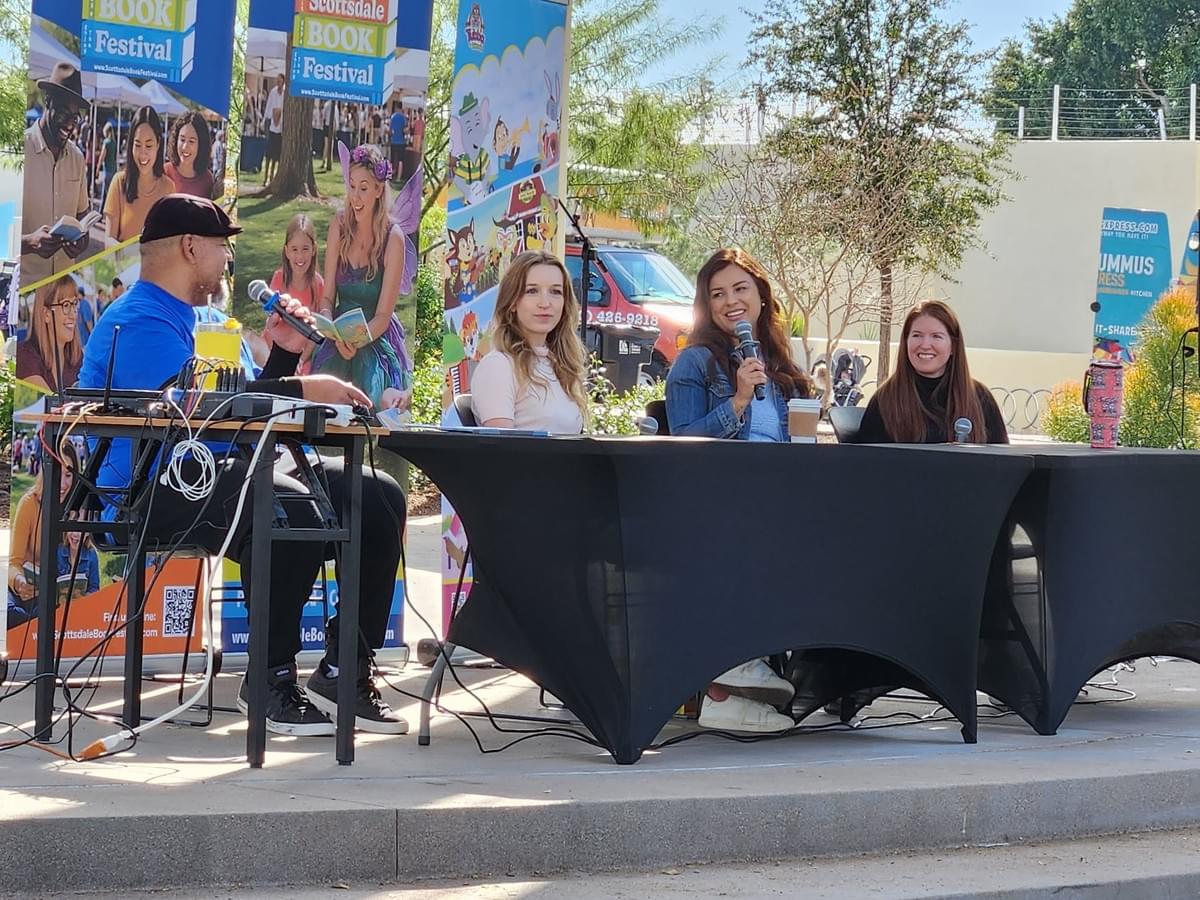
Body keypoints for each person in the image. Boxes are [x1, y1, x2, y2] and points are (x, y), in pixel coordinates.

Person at [77, 193, 410, 736]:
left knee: (378, 497)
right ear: (189, 247)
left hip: (219, 470)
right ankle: (270, 680)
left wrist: (281, 351)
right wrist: (304, 383)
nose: (228, 261)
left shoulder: (204, 317)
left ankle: (343, 671)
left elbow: (245, 408)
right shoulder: (138, 320)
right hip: (153, 487)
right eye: (220, 249)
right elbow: (200, 412)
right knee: (289, 505)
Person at [665, 247, 815, 733]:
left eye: (740, 289)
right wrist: (739, 399)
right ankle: (729, 675)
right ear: (705, 307)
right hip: (714, 498)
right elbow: (681, 443)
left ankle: (789, 674)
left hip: (777, 499)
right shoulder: (696, 363)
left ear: (761, 297)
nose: (730, 301)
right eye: (717, 294)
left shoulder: (784, 368)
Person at [314, 144, 412, 412]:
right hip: (338, 334)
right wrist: (331, 328)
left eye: (364, 188)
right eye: (352, 186)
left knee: (372, 386)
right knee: (320, 390)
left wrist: (357, 341)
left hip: (373, 334)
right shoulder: (339, 224)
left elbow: (383, 315)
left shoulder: (393, 238)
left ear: (379, 190)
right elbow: (327, 296)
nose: (355, 197)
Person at [854, 300, 1008, 445]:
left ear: (953, 345)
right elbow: (867, 465)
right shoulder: (885, 399)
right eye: (917, 335)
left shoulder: (979, 397)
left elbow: (1004, 463)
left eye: (936, 336)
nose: (925, 344)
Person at [470, 251, 588, 434]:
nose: (545, 302)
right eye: (532, 291)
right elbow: (501, 451)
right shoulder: (498, 366)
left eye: (555, 292)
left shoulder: (562, 365)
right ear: (513, 302)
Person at [20, 62, 93, 284]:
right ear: (48, 101)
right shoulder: (17, 152)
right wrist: (30, 242)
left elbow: (82, 216)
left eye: (75, 117)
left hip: (63, 285)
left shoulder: (78, 159)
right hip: (24, 288)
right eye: (64, 113)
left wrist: (84, 239)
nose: (70, 124)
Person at [8, 441, 79, 629]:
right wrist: (19, 581)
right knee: (11, 614)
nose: (63, 484)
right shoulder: (29, 504)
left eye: (68, 475)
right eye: (57, 475)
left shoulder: (78, 508)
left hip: (58, 596)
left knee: (53, 614)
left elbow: (88, 554)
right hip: (26, 591)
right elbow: (13, 562)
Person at [104, 106, 174, 243]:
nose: (142, 154)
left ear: (158, 144)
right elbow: (109, 241)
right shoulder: (119, 182)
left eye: (148, 146)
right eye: (137, 145)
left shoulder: (169, 188)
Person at [268, 214, 325, 374]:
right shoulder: (279, 279)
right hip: (274, 351)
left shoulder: (318, 284)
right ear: (286, 251)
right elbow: (271, 323)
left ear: (313, 249)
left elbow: (317, 331)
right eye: (294, 249)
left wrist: (301, 360)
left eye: (305, 249)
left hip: (303, 354)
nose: (299, 256)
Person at [16, 274, 83, 393]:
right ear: (46, 314)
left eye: (75, 304)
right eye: (66, 305)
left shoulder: (77, 359)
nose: (73, 314)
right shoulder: (25, 357)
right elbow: (51, 406)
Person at [164, 111, 215, 199]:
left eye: (191, 141)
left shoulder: (207, 179)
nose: (185, 147)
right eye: (182, 140)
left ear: (201, 144)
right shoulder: (164, 172)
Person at [57, 510, 101, 598]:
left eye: (80, 530)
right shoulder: (58, 551)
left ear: (88, 532)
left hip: (81, 606)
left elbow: (94, 588)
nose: (75, 534)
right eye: (72, 527)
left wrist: (85, 597)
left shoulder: (92, 555)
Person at [263, 74, 285, 185]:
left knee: (276, 156)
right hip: (272, 127)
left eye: (280, 81)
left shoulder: (285, 94)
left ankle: (272, 177)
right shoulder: (273, 92)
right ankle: (265, 177)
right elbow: (269, 106)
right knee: (269, 154)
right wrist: (266, 120)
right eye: (277, 81)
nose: (278, 83)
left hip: (280, 129)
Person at [388, 104, 407, 181]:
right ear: (401, 108)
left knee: (392, 159)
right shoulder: (404, 118)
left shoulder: (393, 117)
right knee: (400, 160)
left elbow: (390, 130)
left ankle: (390, 176)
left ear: (396, 108)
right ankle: (398, 177)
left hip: (394, 141)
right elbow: (405, 130)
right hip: (401, 141)